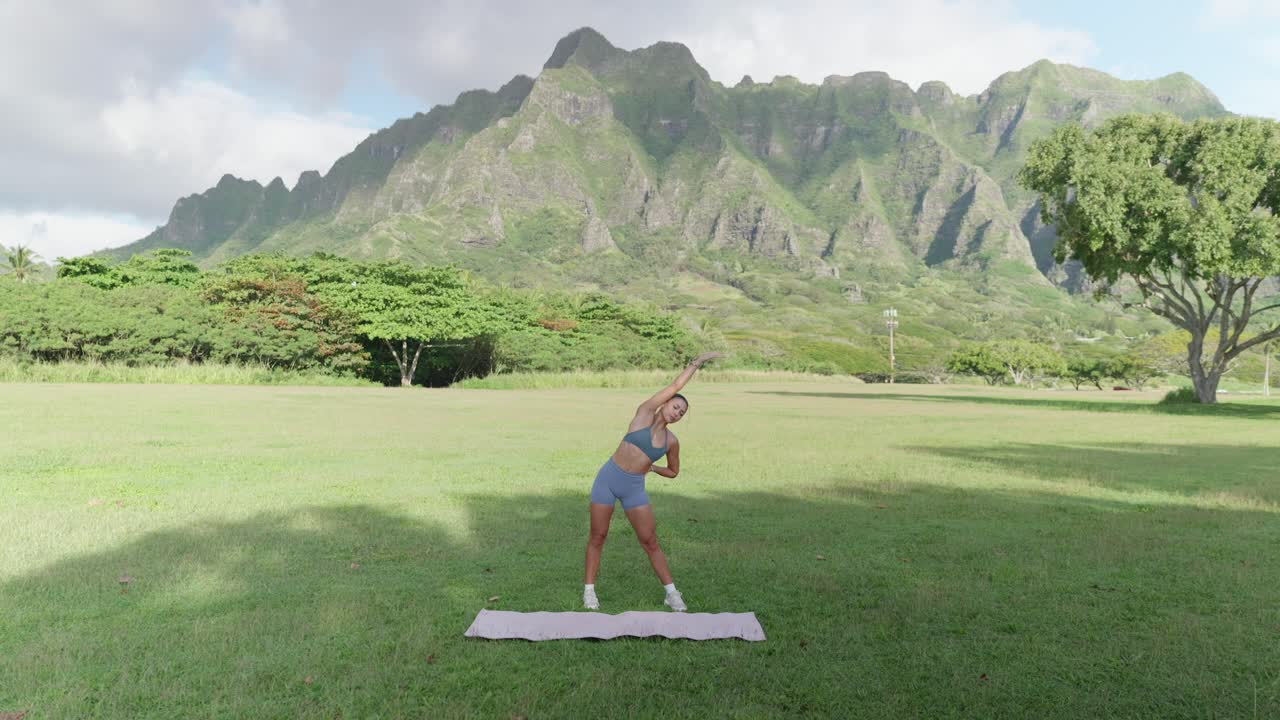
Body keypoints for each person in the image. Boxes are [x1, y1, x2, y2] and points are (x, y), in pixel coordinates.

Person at [582, 351, 723, 612]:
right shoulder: (644, 413)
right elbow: (676, 385)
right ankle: (589, 592)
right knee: (598, 536)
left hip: (634, 487)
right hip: (608, 479)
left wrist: (654, 468)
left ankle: (672, 593)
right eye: (675, 407)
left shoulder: (671, 442)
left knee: (650, 541)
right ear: (665, 403)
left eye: (681, 413)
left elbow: (673, 472)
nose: (677, 413)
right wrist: (697, 363)